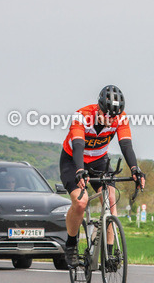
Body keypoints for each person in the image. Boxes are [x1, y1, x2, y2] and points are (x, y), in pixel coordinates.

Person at [61, 85, 146, 267]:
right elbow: (77, 146)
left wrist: (134, 169)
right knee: (80, 202)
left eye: (113, 117)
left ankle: (109, 253)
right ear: (98, 108)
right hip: (73, 160)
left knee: (111, 199)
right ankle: (70, 244)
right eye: (106, 115)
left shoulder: (120, 119)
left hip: (99, 160)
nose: (110, 120)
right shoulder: (82, 116)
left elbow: (126, 146)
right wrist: (79, 170)